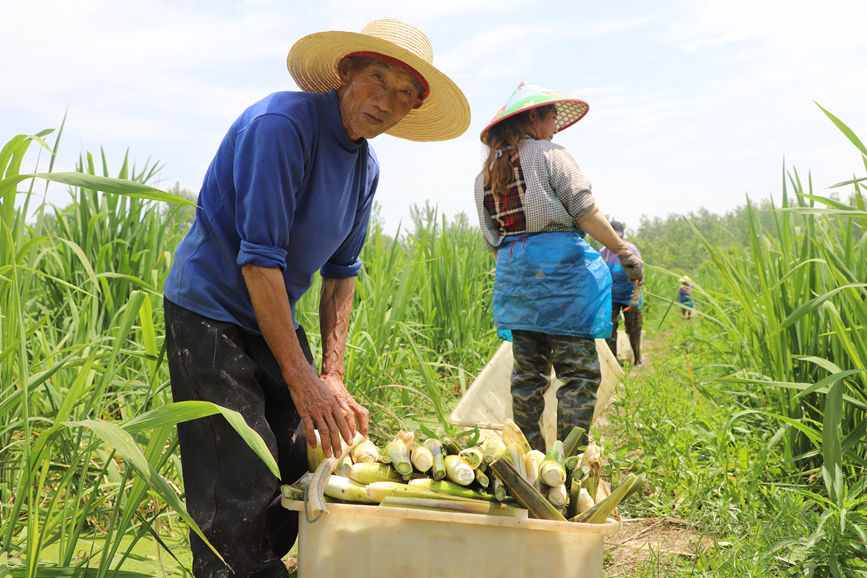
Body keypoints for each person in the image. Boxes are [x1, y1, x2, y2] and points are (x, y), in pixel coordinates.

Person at [162, 19, 469, 577]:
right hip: (210, 313)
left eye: (404, 94)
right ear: (345, 71)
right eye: (377, 77)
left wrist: (330, 373)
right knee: (239, 472)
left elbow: (341, 274)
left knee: (303, 452)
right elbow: (258, 262)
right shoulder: (283, 125)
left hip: (272, 316)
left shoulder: (365, 167)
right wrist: (301, 379)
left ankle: (263, 560)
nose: (387, 101)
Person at [474, 82, 643, 452]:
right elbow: (585, 212)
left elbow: (493, 242)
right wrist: (623, 252)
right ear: (533, 118)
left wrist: (525, 276)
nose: (554, 126)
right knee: (578, 375)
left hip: (517, 288)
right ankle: (566, 466)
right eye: (551, 117)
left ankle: (530, 460)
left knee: (527, 378)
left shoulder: (484, 177)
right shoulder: (552, 155)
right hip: (564, 285)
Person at [599, 220, 644, 366]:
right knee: (609, 327)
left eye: (619, 237)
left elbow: (640, 276)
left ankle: (637, 358)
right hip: (611, 296)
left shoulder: (630, 250)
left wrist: (635, 298)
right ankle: (614, 361)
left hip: (630, 294)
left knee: (633, 327)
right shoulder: (603, 253)